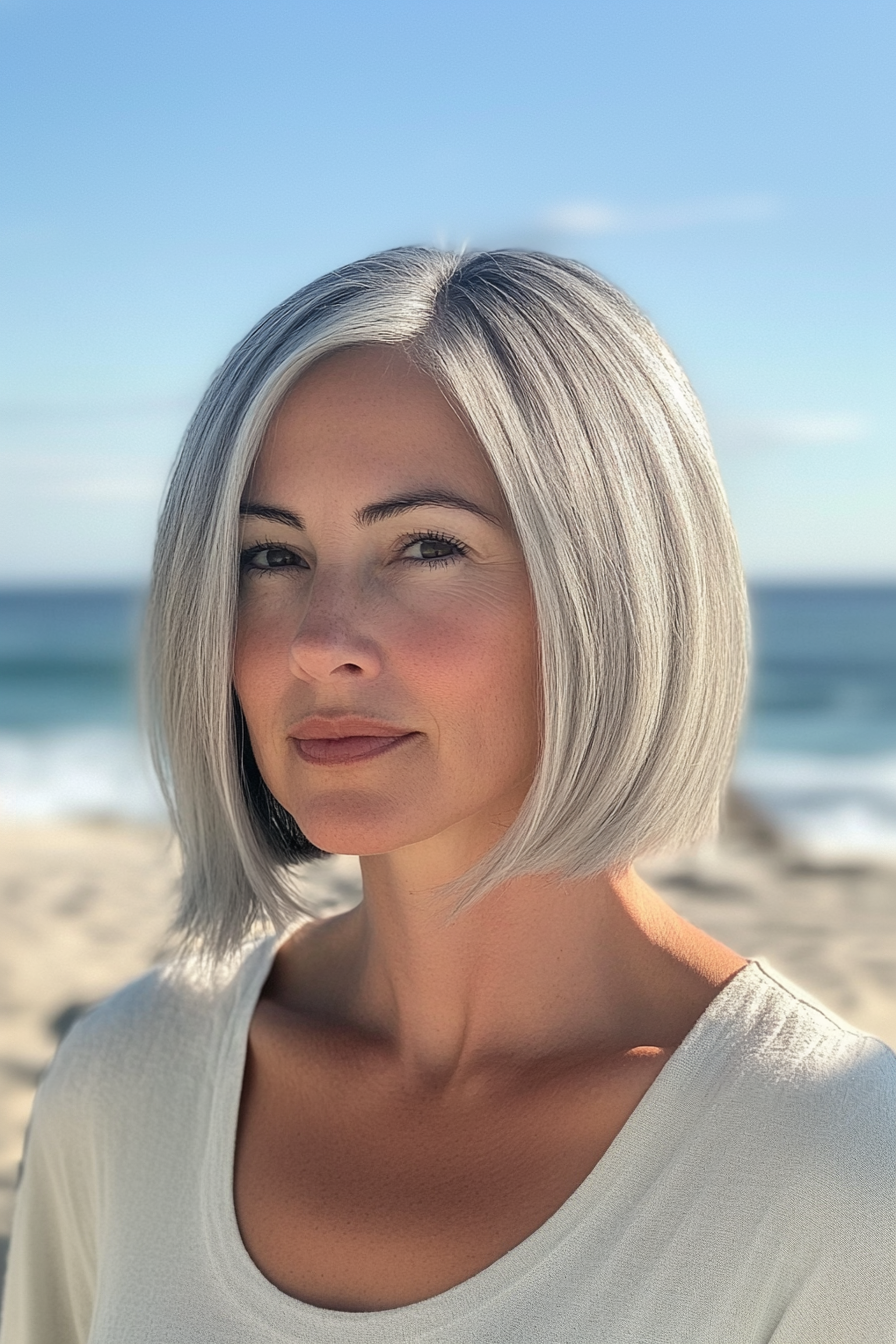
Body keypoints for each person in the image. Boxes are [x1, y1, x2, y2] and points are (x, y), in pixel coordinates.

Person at [1, 248, 892, 1343]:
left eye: (426, 546)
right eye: (269, 557)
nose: (319, 643)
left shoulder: (838, 1174)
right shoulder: (129, 1082)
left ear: (610, 592)